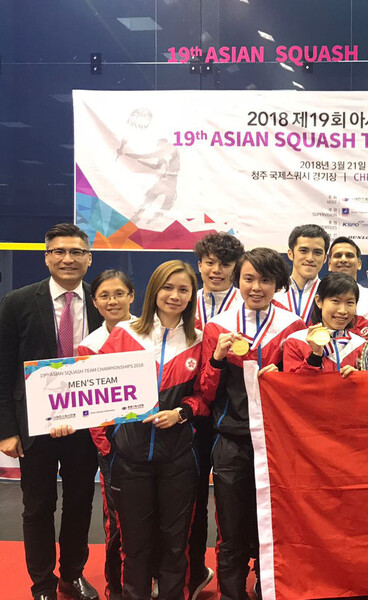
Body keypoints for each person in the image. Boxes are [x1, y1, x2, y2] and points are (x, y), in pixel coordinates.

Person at [0, 223, 102, 600]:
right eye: (59, 251)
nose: (67, 258)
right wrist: (6, 429)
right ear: (46, 257)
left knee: (80, 503)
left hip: (88, 425)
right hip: (33, 426)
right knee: (37, 506)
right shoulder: (17, 302)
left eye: (76, 252)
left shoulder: (103, 301)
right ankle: (42, 583)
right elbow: (3, 366)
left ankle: (71, 575)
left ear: (89, 259)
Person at [97, 260, 208, 600]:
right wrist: (113, 438)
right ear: (153, 291)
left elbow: (204, 395)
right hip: (130, 459)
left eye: (183, 290)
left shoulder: (198, 340)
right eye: (168, 287)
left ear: (191, 296)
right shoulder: (124, 335)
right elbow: (96, 391)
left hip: (177, 458)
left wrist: (180, 413)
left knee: (176, 543)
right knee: (135, 544)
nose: (175, 296)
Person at [201, 248, 306, 599]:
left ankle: (268, 591)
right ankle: (232, 593)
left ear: (278, 284)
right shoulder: (218, 328)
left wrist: (285, 376)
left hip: (277, 444)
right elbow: (205, 391)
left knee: (272, 525)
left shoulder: (294, 326)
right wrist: (216, 360)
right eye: (248, 278)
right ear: (238, 280)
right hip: (231, 442)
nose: (256, 287)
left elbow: (304, 389)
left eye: (265, 280)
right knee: (231, 526)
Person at [190, 231, 245, 598]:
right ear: (199, 264)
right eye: (209, 262)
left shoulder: (250, 303)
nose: (216, 270)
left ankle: (239, 578)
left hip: (230, 416)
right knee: (190, 499)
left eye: (224, 263)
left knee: (234, 504)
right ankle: (194, 572)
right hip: (191, 412)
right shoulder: (183, 299)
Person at [77, 270, 136, 600]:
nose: (112, 301)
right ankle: (117, 589)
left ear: (132, 295)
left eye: (119, 293)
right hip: (115, 450)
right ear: (95, 302)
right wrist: (108, 449)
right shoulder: (90, 345)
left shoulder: (153, 333)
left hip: (155, 444)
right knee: (117, 524)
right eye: (104, 296)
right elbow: (91, 409)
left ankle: (151, 580)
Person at [283, 272, 366, 376]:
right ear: (319, 301)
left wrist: (360, 378)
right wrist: (315, 356)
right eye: (335, 301)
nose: (343, 310)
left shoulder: (361, 346)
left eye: (350, 302)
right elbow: (293, 386)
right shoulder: (296, 342)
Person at [272, 224, 330, 324]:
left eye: (317, 252)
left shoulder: (331, 294)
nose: (310, 258)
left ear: (325, 258)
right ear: (290, 254)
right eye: (303, 251)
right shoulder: (273, 292)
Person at [193, 231, 245, 329]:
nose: (216, 270)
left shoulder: (245, 305)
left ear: (237, 268)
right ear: (200, 266)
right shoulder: (187, 302)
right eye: (210, 263)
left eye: (225, 265)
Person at [327, 236, 368, 337]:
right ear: (329, 264)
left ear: (359, 264)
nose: (343, 259)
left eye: (349, 255)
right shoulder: (320, 297)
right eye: (338, 255)